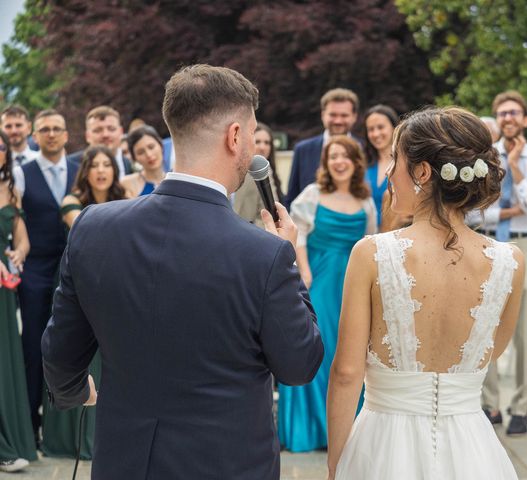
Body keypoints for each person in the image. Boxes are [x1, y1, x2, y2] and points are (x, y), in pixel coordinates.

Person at [41, 64, 324, 480]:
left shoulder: (93, 227)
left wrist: (76, 391)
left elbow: (60, 356)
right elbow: (299, 364)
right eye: (250, 132)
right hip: (228, 465)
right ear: (234, 136)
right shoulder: (264, 254)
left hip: (125, 464)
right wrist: (290, 255)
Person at [326, 106, 524, 479]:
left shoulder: (371, 253)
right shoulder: (509, 261)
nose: (387, 174)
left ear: (421, 172)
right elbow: (490, 351)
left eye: (393, 161)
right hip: (472, 450)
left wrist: (336, 464)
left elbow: (347, 373)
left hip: (383, 445)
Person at [278, 135, 376, 452]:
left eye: (345, 155)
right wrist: (303, 273)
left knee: (348, 352)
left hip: (354, 282)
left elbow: (371, 241)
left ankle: (345, 428)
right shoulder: (312, 194)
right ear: (326, 162)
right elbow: (298, 235)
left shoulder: (366, 199)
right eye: (333, 156)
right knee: (319, 349)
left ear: (355, 161)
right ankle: (314, 430)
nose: (339, 161)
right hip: (319, 279)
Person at [467, 90, 527, 435]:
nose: (508, 118)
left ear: (526, 119)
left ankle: (520, 407)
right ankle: (490, 405)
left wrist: (515, 167)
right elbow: (473, 211)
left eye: (515, 112)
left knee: (523, 332)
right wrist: (507, 210)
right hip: (487, 241)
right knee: (483, 325)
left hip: (524, 244)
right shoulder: (481, 157)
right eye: (502, 113)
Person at [40, 146, 126, 460]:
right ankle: (66, 440)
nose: (102, 170)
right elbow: (88, 228)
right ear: (85, 170)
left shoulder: (126, 196)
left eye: (108, 164)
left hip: (116, 286)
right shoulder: (71, 201)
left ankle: (104, 436)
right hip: (77, 284)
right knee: (72, 351)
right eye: (95, 165)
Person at [13, 109, 80, 439]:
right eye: (44, 130)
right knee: (33, 344)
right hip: (36, 270)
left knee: (72, 341)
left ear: (67, 135)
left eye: (57, 129)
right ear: (34, 136)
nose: (51, 134)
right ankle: (31, 423)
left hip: (75, 268)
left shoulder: (81, 171)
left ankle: (66, 423)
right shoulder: (21, 173)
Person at [0, 130, 36, 473]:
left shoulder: (11, 190)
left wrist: (18, 254)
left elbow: (22, 238)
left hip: (2, 287)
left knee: (4, 361)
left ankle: (9, 442)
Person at [284, 88, 360, 208]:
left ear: (354, 116)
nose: (338, 121)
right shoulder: (302, 150)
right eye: (333, 115)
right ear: (323, 115)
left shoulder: (363, 150)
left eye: (344, 115)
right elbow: (292, 197)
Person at [233, 122, 282, 226]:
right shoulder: (233, 169)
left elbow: (270, 218)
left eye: (267, 143)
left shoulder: (268, 173)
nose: (262, 147)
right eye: (258, 141)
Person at [67, 106, 133, 179]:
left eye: (111, 129)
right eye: (98, 130)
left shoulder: (132, 166)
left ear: (121, 132)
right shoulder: (70, 165)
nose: (105, 135)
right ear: (87, 136)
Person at [364, 104, 399, 225]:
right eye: (371, 129)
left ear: (394, 127)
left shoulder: (406, 164)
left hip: (395, 234)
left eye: (380, 127)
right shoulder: (364, 166)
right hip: (364, 236)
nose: (375, 134)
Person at [121, 125, 166, 197]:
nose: (149, 155)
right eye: (141, 152)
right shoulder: (127, 184)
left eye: (151, 147)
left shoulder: (175, 180)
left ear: (161, 145)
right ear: (134, 158)